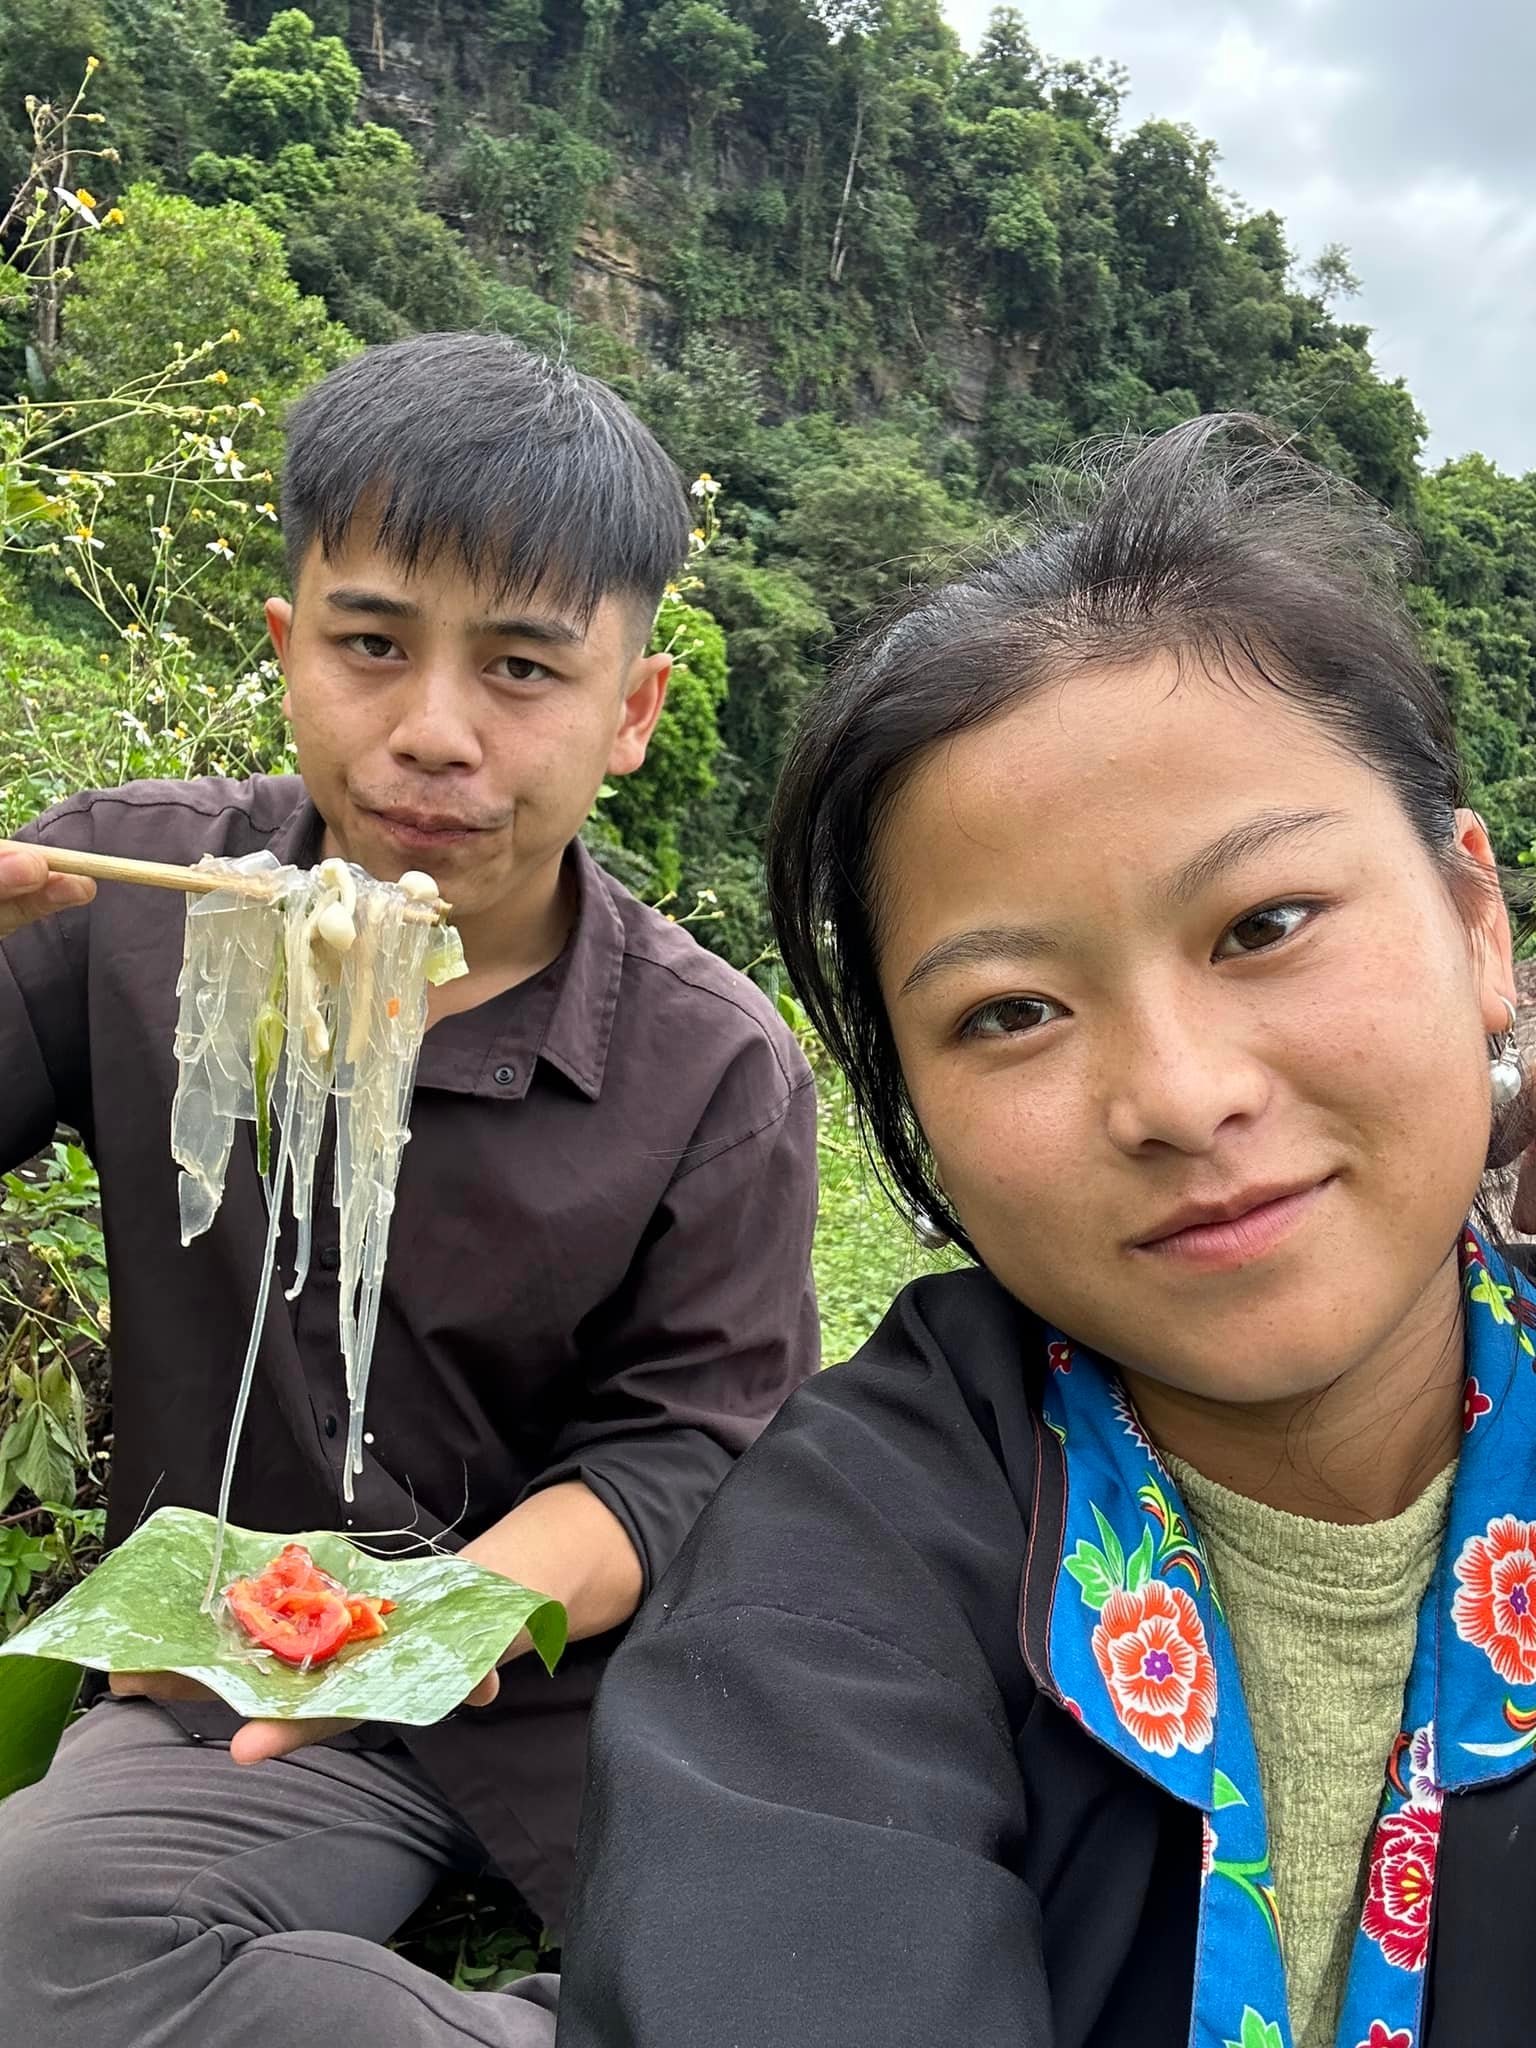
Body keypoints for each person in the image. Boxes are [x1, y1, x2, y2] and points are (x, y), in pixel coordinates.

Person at [558, 416, 1536, 2048]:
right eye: (1012, 1012)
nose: (1180, 1096)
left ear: (1475, 921)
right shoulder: (839, 1568)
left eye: (1265, 924)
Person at [0, 332, 819, 2046]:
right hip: (227, 1678)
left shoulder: (714, 1069)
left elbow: (684, 1450)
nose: (434, 733)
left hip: (582, 1699)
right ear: (289, 649)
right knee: (39, 1934)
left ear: (633, 712)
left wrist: (416, 1629)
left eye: (522, 668)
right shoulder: (126, 897)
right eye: (373, 644)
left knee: (836, 1969)